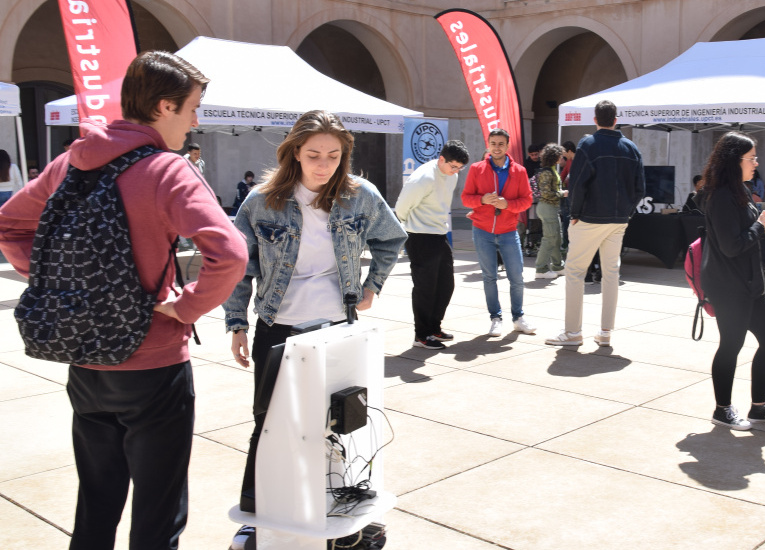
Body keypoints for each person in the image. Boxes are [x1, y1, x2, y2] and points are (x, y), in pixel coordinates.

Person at [0, 50, 248, 550]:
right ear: (163, 107)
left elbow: (10, 224)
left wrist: (60, 284)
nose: (196, 120)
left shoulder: (70, 161)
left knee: (95, 501)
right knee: (158, 511)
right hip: (153, 361)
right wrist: (187, 307)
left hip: (85, 360)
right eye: (193, 108)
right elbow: (230, 254)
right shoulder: (167, 170)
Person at [223, 110, 406, 540]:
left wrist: (371, 284)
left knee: (339, 422)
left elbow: (391, 238)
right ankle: (257, 516)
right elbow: (238, 267)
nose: (323, 164)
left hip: (336, 330)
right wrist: (237, 325)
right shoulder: (261, 200)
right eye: (313, 155)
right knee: (269, 424)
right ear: (295, 154)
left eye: (333, 155)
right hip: (277, 326)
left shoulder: (360, 196)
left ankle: (340, 512)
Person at [698, 132, 765, 429]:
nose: (756, 163)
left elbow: (745, 229)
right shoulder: (722, 195)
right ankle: (722, 409)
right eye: (751, 158)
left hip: (748, 283)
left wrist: (762, 222)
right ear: (734, 161)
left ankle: (759, 407)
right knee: (732, 344)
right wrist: (761, 227)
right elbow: (731, 245)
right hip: (728, 285)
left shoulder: (740, 190)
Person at [546, 100, 644, 347]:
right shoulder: (631, 148)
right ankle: (605, 332)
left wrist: (575, 213)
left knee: (575, 273)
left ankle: (573, 332)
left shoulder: (588, 145)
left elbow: (577, 183)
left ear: (595, 118)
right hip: (618, 220)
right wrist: (626, 213)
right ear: (616, 118)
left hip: (589, 218)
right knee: (611, 274)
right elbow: (640, 188)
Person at [462, 128, 537, 337]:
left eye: (501, 144)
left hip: (508, 231)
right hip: (482, 230)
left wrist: (507, 204)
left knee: (517, 277)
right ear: (488, 144)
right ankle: (495, 318)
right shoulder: (477, 169)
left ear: (507, 145)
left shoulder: (519, 171)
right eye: (493, 143)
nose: (497, 148)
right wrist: (482, 200)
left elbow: (527, 200)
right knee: (489, 277)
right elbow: (466, 198)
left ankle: (518, 317)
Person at [395, 140, 469, 349]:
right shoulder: (423, 177)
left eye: (460, 168)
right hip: (419, 235)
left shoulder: (451, 176)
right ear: (441, 159)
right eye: (453, 166)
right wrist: (411, 227)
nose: (455, 171)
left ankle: (434, 328)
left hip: (439, 233)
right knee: (425, 287)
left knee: (446, 285)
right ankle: (421, 335)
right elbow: (402, 207)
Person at [533, 143, 567, 279]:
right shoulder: (548, 172)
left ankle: (558, 266)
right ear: (555, 156)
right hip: (548, 207)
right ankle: (541, 269)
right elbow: (546, 193)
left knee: (556, 238)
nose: (562, 158)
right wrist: (562, 193)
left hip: (549, 208)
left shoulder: (550, 170)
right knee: (550, 238)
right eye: (560, 155)